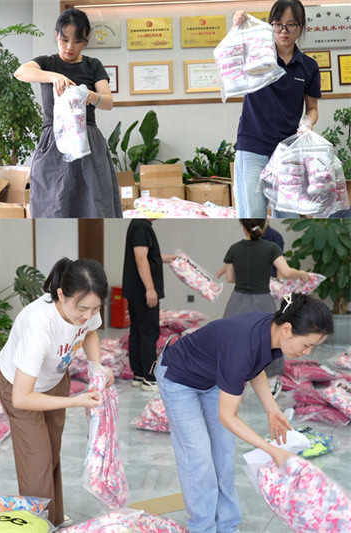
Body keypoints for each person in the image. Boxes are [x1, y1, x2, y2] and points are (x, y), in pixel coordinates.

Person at [155, 294, 333, 533]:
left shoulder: (271, 330)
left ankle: (228, 525)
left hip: (213, 378)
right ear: (288, 329)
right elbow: (228, 416)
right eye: (307, 345)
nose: (308, 352)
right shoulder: (243, 344)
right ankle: (203, 527)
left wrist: (272, 409)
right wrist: (272, 450)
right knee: (198, 456)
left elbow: (254, 367)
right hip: (179, 378)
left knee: (224, 454)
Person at [0, 258, 110, 527]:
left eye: (95, 308)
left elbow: (90, 332)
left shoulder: (87, 306)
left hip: (55, 380)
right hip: (21, 388)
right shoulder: (39, 325)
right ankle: (38, 525)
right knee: (36, 461)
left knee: (51, 451)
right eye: (82, 308)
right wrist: (75, 401)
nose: (88, 315)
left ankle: (54, 518)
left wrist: (97, 367)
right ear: (61, 294)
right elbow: (21, 398)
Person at [14, 8, 121, 218]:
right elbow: (20, 72)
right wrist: (53, 76)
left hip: (87, 142)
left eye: (77, 41)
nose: (70, 47)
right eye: (64, 40)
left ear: (86, 41)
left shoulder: (93, 65)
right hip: (54, 140)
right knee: (51, 203)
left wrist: (91, 96)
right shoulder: (47, 63)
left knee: (93, 204)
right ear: (56, 36)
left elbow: (108, 102)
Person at [232, 0, 320, 218]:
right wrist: (237, 27)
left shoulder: (309, 66)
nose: (284, 30)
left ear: (301, 27)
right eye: (278, 24)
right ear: (270, 25)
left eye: (291, 25)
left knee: (288, 217)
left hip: (287, 151)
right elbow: (232, 54)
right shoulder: (257, 56)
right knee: (253, 216)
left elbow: (312, 108)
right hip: (252, 146)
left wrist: (307, 123)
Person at [216, 219, 310, 398]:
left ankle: (231, 381)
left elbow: (230, 278)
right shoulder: (271, 247)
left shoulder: (234, 248)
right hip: (263, 301)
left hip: (237, 301)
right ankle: (271, 383)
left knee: (233, 340)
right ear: (265, 224)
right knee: (270, 340)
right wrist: (303, 275)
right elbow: (287, 272)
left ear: (243, 227)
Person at [122, 219, 177, 391]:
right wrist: (150, 288)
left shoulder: (138, 225)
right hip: (143, 292)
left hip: (136, 291)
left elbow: (147, 255)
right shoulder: (142, 226)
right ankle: (149, 377)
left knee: (138, 331)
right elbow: (140, 258)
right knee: (148, 333)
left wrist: (168, 258)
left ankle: (138, 374)